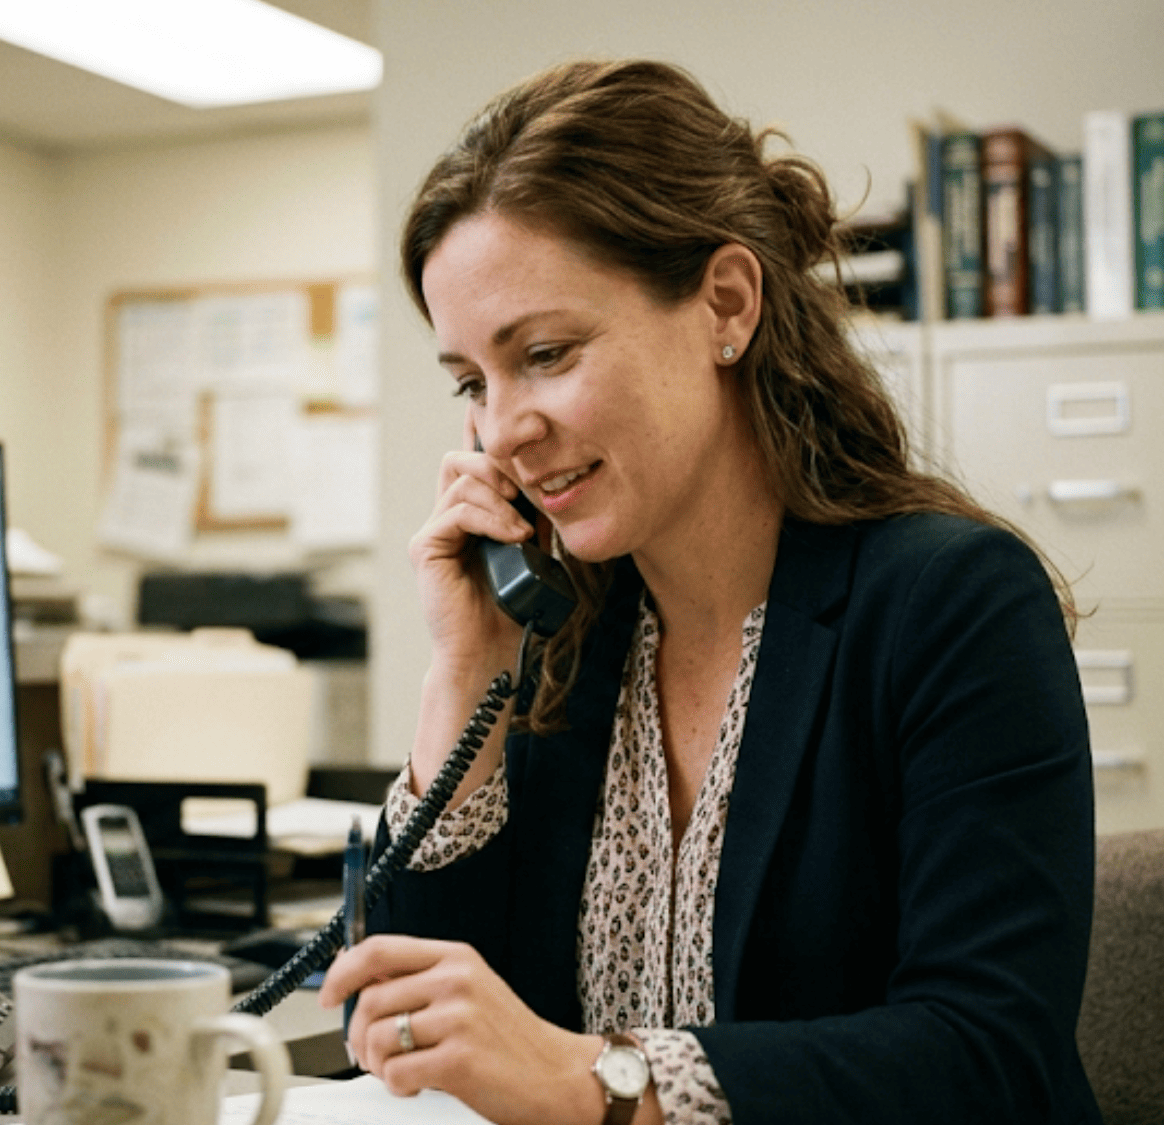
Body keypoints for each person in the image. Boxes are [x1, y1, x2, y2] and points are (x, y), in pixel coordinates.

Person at [317, 59, 1101, 1125]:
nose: (500, 428)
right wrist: (464, 673)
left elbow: (985, 1051)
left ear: (723, 304)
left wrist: (599, 1083)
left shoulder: (949, 605)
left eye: (543, 353)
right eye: (471, 382)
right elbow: (422, 1030)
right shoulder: (567, 641)